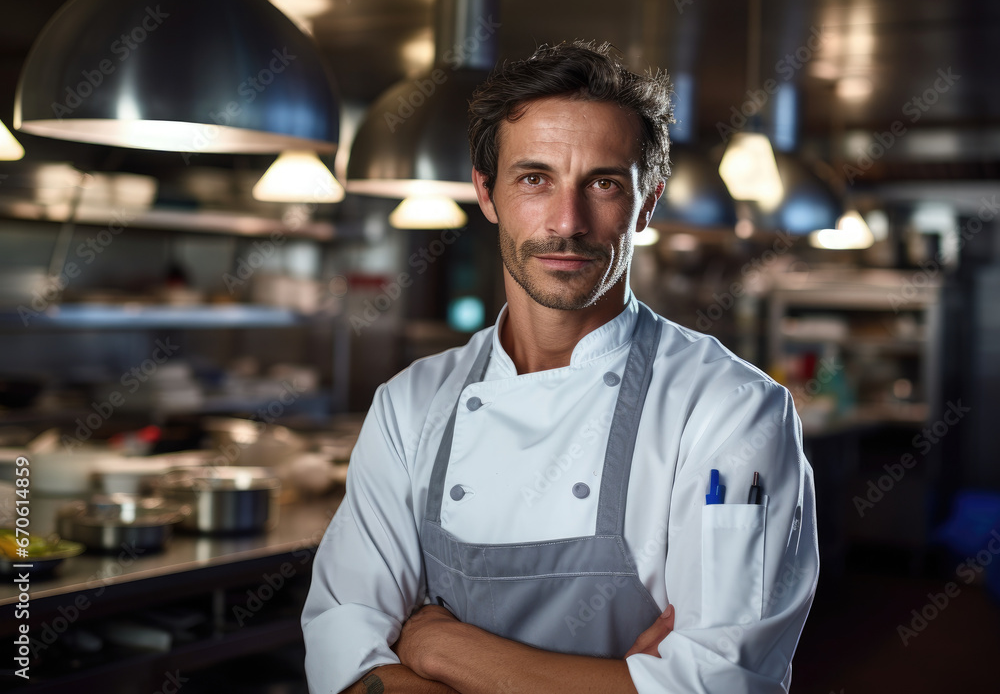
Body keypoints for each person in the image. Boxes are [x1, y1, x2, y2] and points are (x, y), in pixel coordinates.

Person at [302, 41, 819, 694]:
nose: (566, 223)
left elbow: (719, 685)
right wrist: (620, 680)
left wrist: (440, 643)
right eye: (534, 178)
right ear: (486, 193)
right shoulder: (410, 404)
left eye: (603, 182)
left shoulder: (730, 409)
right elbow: (342, 652)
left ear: (648, 202)